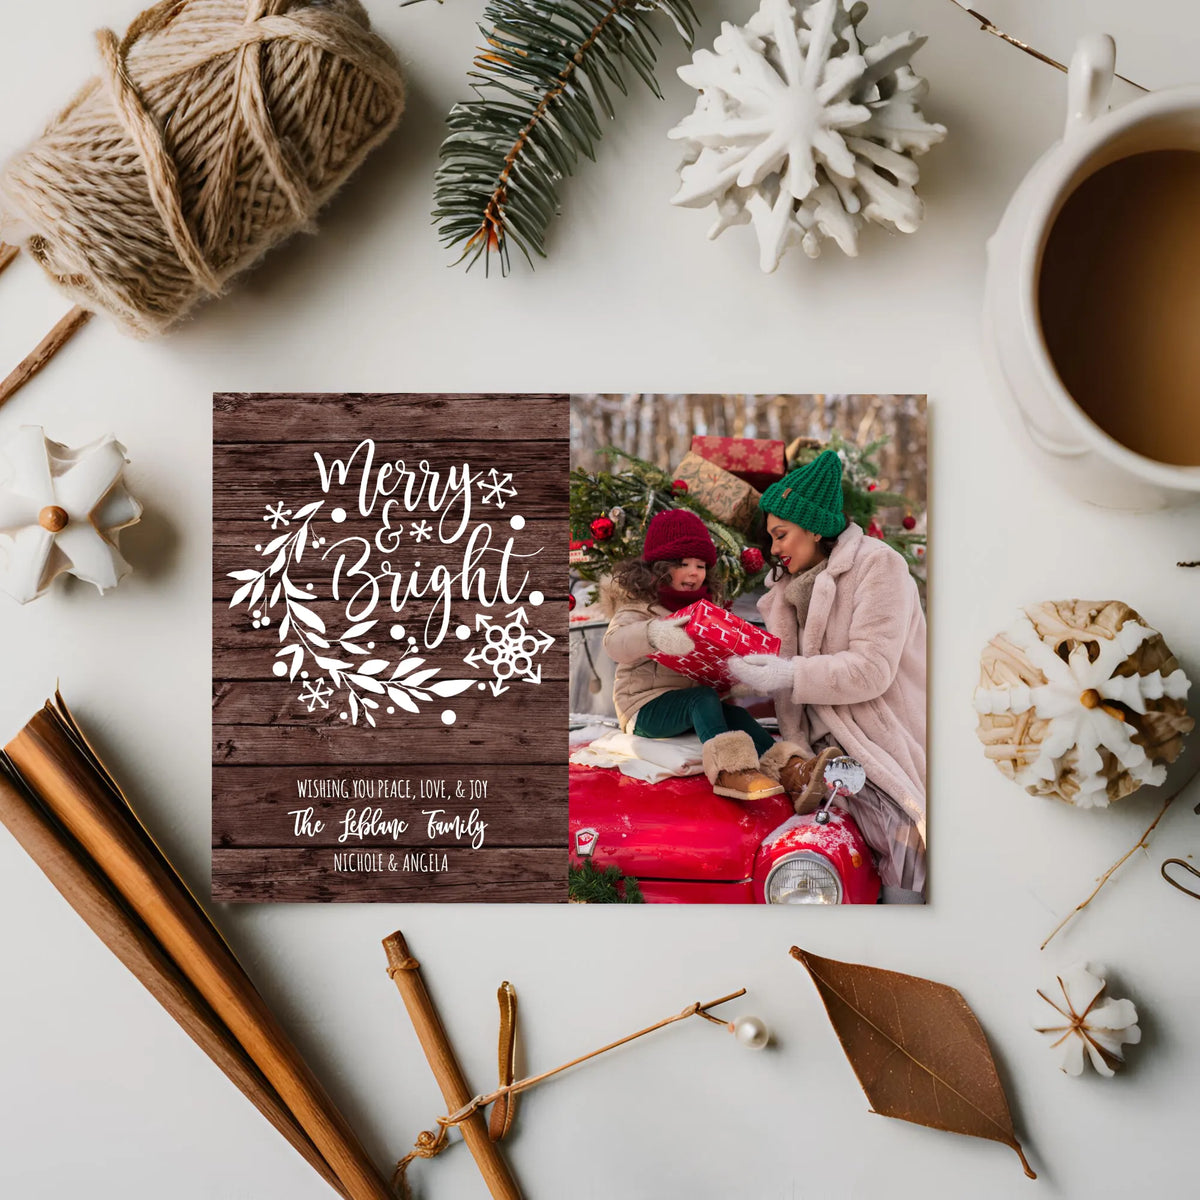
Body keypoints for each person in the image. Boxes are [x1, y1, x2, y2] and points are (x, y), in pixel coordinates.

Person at [728, 450, 927, 903]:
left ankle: (908, 930)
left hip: (878, 745)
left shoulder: (879, 566)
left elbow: (872, 669)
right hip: (812, 753)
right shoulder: (785, 590)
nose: (774, 548)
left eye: (781, 534)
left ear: (815, 527)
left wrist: (787, 672)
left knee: (901, 837)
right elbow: (776, 674)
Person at [601, 508, 784, 802]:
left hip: (692, 709)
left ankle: (786, 766)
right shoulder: (639, 608)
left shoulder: (706, 613)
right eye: (683, 563)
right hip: (642, 709)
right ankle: (730, 770)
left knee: (735, 713)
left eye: (701, 565)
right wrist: (653, 633)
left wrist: (740, 671)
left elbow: (711, 669)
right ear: (659, 567)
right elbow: (614, 644)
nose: (693, 572)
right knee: (703, 699)